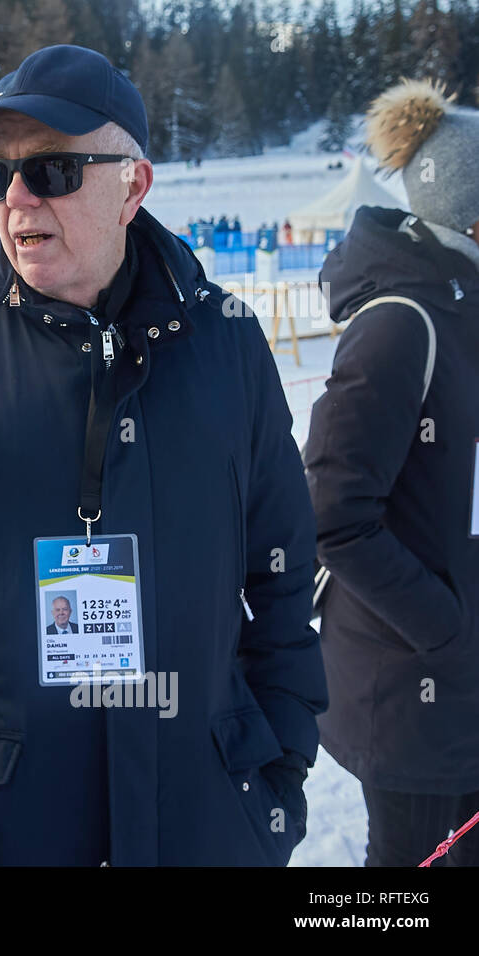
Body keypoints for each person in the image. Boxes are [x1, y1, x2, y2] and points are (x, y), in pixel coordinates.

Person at [0, 44, 326, 866]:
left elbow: (284, 580)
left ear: (133, 184)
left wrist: (277, 776)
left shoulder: (227, 344)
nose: (16, 198)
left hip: (203, 822)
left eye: (51, 169)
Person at [306, 77, 479, 867]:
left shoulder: (461, 305)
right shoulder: (401, 323)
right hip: (412, 690)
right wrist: (445, 629)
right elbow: (334, 515)